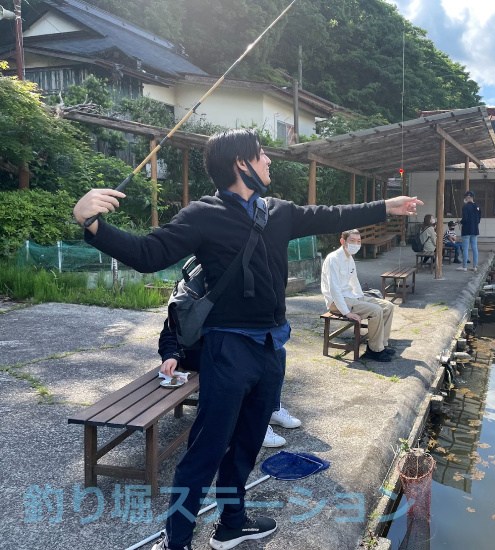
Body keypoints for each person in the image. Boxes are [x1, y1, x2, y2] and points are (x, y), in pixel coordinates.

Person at [72, 128, 422, 550]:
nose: (269, 162)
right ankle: (177, 540)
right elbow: (149, 254)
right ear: (242, 163)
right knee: (206, 451)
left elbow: (332, 214)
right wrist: (92, 225)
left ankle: (231, 525)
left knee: (247, 443)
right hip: (227, 351)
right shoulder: (203, 214)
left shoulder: (279, 211)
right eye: (262, 156)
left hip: (272, 349)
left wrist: (387, 205)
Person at [157, 318, 298, 448]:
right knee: (246, 361)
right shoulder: (192, 292)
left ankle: (271, 409)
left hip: (225, 344)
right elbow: (170, 327)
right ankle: (253, 426)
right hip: (196, 351)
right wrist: (170, 355)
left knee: (278, 352)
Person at [321, 229, 396, 363]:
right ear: (342, 241)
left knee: (388, 306)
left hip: (352, 297)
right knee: (376, 310)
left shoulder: (349, 257)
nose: (356, 244)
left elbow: (353, 281)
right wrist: (347, 313)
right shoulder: (333, 259)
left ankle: (382, 345)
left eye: (358, 241)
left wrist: (362, 298)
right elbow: (334, 289)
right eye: (352, 241)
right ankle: (374, 350)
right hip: (337, 302)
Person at [458, 190, 481, 272]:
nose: (465, 199)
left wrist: (460, 222)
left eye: (466, 198)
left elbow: (465, 219)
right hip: (475, 230)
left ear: (467, 198)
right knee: (475, 248)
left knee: (465, 248)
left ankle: (464, 266)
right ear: (472, 197)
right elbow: (478, 220)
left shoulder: (465, 207)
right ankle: (475, 266)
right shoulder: (477, 206)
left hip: (466, 230)